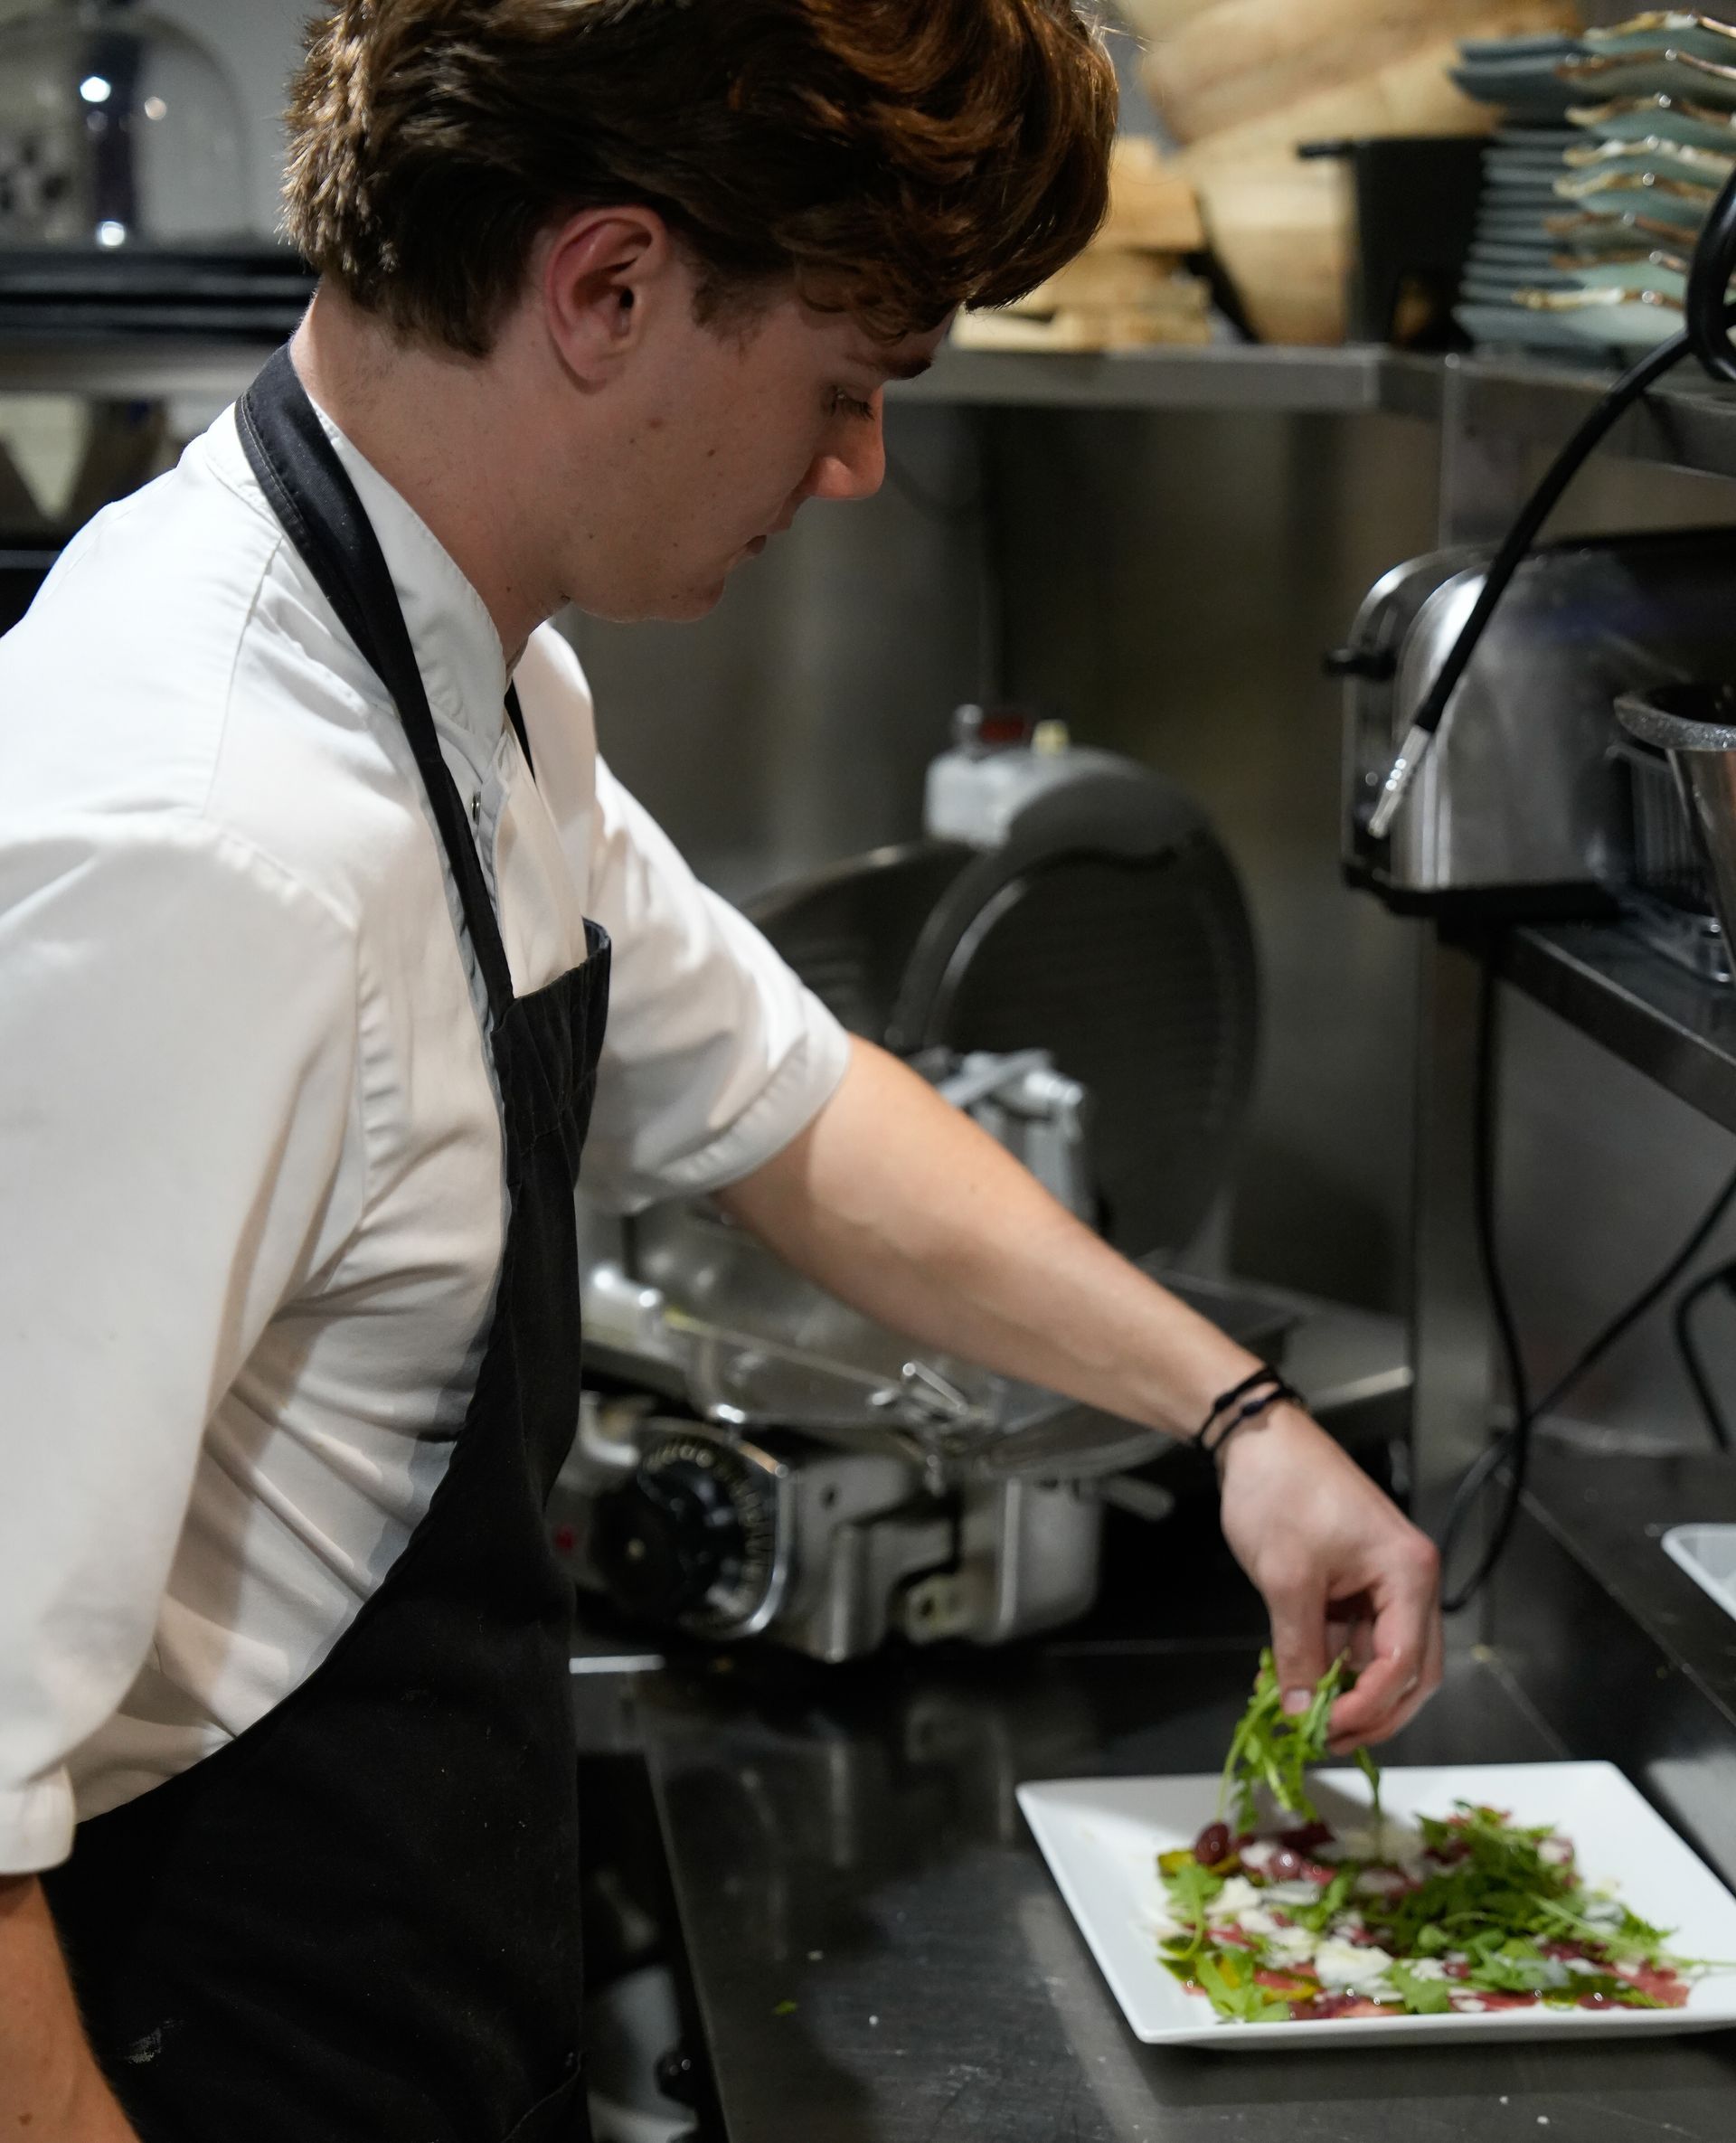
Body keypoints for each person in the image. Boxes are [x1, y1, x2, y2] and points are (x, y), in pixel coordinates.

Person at [0, 2, 1441, 2137]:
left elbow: (788, 1105)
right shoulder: (206, 842)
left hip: (404, 1983)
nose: (857, 470)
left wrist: (1234, 1418)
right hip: (193, 2038)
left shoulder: (466, 670)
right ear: (608, 288)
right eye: (844, 390)